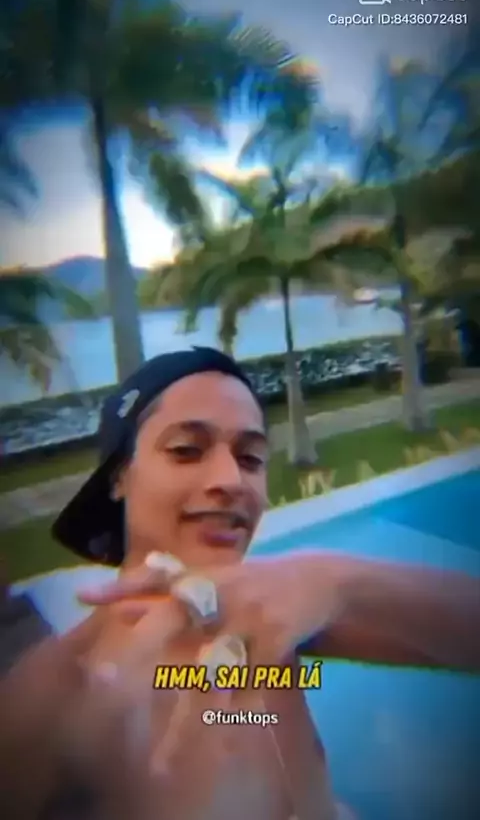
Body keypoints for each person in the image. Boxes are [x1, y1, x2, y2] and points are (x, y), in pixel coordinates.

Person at [1, 346, 479, 820]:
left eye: (250, 458)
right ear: (118, 477)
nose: (231, 480)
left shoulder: (273, 621)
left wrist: (339, 582)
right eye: (186, 450)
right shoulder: (58, 698)